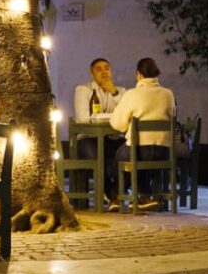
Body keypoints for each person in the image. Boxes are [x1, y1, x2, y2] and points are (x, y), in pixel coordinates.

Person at [110, 57, 177, 211]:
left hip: (139, 150)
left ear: (139, 75)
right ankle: (142, 196)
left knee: (119, 157)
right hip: (163, 150)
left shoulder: (132, 94)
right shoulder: (168, 94)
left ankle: (117, 195)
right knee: (137, 158)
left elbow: (118, 125)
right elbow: (173, 115)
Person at [73, 58, 126, 210]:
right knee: (96, 157)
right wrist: (111, 117)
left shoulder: (120, 91)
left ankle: (120, 192)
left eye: (107, 68)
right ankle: (112, 194)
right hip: (88, 138)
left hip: (111, 137)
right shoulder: (83, 90)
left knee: (127, 153)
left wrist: (113, 92)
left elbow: (124, 114)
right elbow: (83, 119)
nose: (104, 72)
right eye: (99, 69)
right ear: (92, 74)